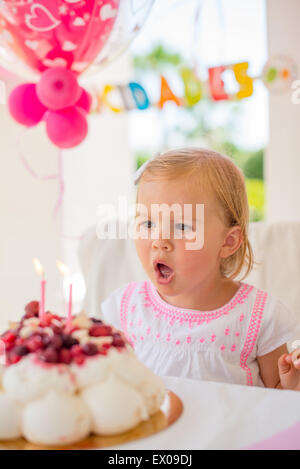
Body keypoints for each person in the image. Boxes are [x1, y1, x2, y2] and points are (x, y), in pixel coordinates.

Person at [101, 147, 300, 389]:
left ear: (228, 242)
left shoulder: (259, 318)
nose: (159, 240)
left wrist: (291, 384)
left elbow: (276, 395)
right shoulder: (126, 308)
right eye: (149, 223)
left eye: (182, 227)